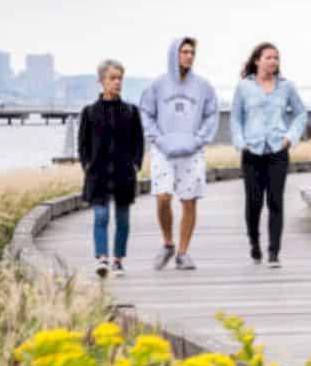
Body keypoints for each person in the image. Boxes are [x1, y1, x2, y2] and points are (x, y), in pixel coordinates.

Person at [138, 36, 218, 270]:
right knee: (163, 198)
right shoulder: (157, 85)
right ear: (174, 54)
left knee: (189, 201)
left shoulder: (203, 86)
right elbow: (146, 113)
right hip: (164, 150)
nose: (189, 56)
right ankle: (167, 243)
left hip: (191, 151)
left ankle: (183, 253)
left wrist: (199, 140)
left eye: (192, 53)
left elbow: (211, 114)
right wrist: (158, 139)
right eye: (184, 52)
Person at [232, 42, 308, 268]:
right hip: (252, 151)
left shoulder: (286, 87)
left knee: (275, 201)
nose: (273, 61)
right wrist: (241, 142)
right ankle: (254, 243)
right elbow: (236, 119)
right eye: (268, 57)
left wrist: (290, 138)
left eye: (276, 58)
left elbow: (301, 114)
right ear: (257, 60)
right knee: (254, 203)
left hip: (277, 151)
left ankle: (274, 252)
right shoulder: (244, 87)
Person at [76, 59, 145, 277]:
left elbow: (139, 141)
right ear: (101, 81)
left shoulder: (131, 112)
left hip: (124, 174)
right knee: (101, 216)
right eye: (112, 78)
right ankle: (102, 258)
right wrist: (87, 165)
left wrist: (135, 164)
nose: (117, 83)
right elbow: (83, 144)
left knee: (123, 219)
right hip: (97, 174)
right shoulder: (89, 112)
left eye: (119, 78)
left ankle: (118, 260)